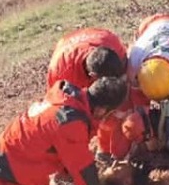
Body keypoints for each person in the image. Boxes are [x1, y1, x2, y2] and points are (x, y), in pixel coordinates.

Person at [46, 26, 129, 156]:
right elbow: (56, 109)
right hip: (66, 50)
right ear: (93, 76)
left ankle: (108, 149)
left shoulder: (112, 44)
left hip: (93, 35)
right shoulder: (61, 72)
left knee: (115, 103)